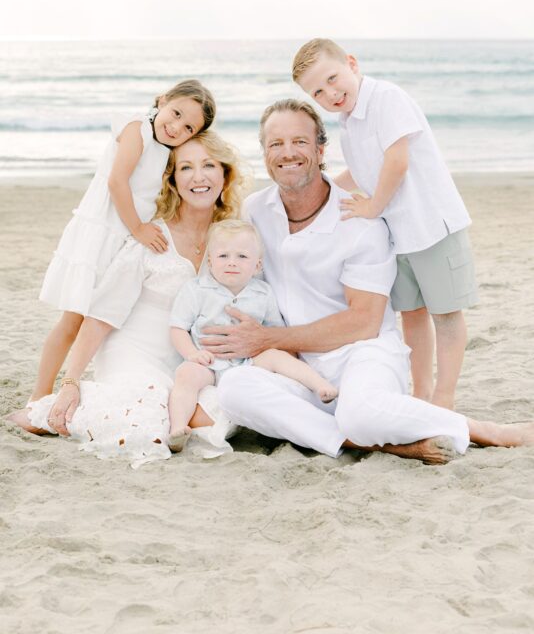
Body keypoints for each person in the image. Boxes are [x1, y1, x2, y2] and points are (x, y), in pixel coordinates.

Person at [201, 100, 534, 464]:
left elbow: (364, 322)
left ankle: (482, 429)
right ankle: (384, 444)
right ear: (264, 152)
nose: (287, 153)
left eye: (299, 141)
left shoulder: (360, 221)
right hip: (297, 365)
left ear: (320, 149)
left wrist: (268, 339)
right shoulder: (255, 210)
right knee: (235, 390)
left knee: (360, 413)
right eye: (275, 144)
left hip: (362, 354)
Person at [8, 131, 243, 467]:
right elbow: (100, 317)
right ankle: (44, 411)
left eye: (209, 165)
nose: (199, 176)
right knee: (147, 426)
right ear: (174, 181)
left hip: (190, 362)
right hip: (133, 351)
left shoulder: (233, 236)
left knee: (224, 414)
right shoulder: (153, 238)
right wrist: (71, 381)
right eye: (186, 168)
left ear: (224, 174)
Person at [292, 39, 477, 410]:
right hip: (400, 235)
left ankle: (444, 397)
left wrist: (373, 206)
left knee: (446, 314)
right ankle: (421, 392)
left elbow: (397, 161)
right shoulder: (349, 123)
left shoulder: (386, 99)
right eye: (318, 92)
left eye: (332, 78)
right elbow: (362, 171)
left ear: (352, 63)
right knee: (412, 314)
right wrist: (313, 191)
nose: (330, 93)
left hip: (431, 225)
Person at [167, 219, 338, 452]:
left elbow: (273, 331)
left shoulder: (263, 293)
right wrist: (193, 354)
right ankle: (178, 428)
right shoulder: (196, 290)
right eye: (223, 256)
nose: (232, 263)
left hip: (249, 361)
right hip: (209, 362)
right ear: (210, 261)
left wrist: (266, 349)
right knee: (186, 375)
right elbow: (178, 327)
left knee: (278, 356)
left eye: (242, 257)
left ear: (257, 265)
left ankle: (319, 385)